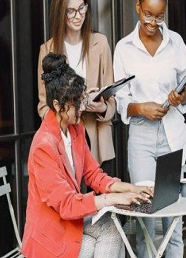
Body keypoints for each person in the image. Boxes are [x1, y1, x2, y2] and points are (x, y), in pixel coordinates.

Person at [21, 53, 153, 258]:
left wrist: (133, 189)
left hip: (69, 224)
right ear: (57, 105)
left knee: (112, 227)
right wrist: (114, 199)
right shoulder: (43, 147)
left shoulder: (75, 129)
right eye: (77, 104)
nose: (83, 108)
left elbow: (94, 175)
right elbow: (68, 205)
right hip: (50, 239)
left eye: (82, 101)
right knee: (98, 243)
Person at [113, 0, 186, 258]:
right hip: (141, 139)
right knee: (145, 221)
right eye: (148, 14)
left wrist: (181, 95)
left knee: (172, 222)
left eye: (159, 16)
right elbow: (121, 100)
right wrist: (141, 108)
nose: (152, 23)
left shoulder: (176, 45)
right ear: (138, 6)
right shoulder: (124, 49)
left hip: (172, 136)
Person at [37, 0, 116, 176]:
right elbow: (43, 105)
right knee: (74, 203)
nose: (78, 16)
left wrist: (102, 107)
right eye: (70, 11)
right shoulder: (47, 50)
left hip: (98, 141)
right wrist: (66, 113)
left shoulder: (101, 43)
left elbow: (112, 98)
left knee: (103, 199)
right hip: (65, 142)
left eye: (82, 8)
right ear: (60, 12)